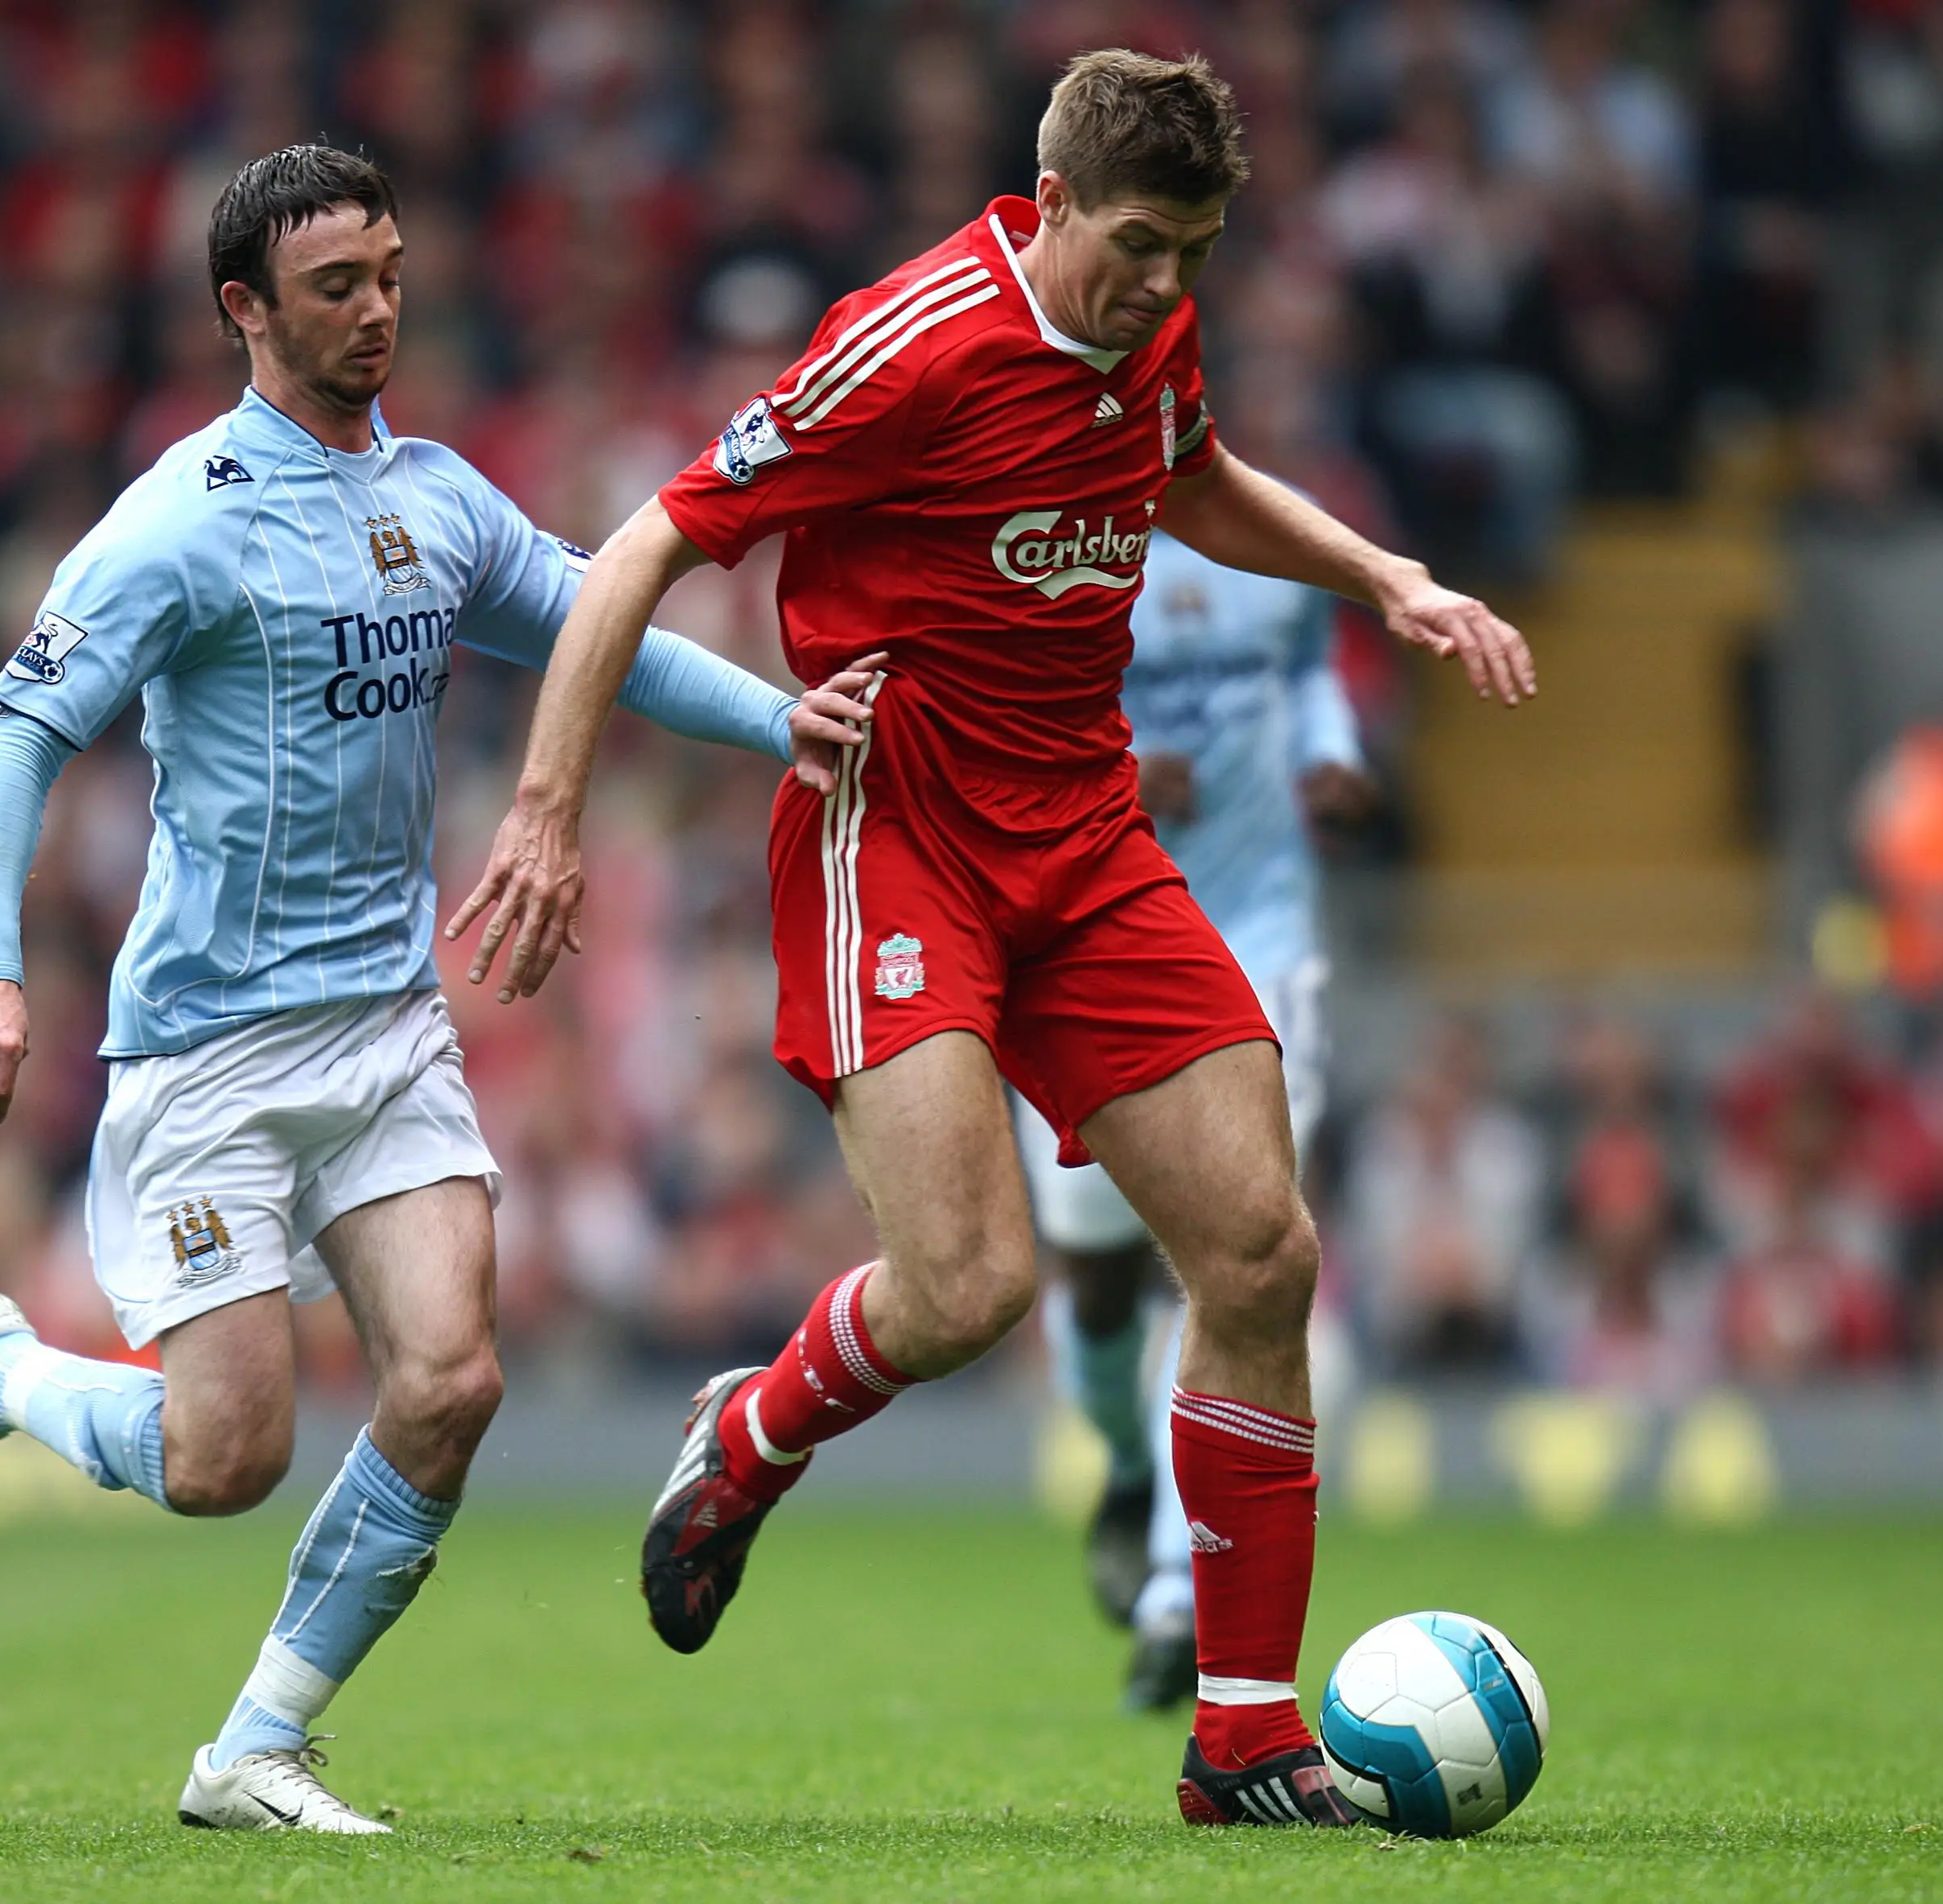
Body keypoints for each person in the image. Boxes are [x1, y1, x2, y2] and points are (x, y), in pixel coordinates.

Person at [447, 52, 1534, 1827]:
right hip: (902, 841)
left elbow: (1193, 477)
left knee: (1258, 1254)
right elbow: (644, 542)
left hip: (1088, 843)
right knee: (966, 1291)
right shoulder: (911, 343)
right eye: (1133, 245)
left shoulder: (1147, 335)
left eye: (1193, 250)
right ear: (1045, 211)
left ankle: (1245, 1742)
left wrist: (1387, 580)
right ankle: (749, 1437)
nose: (1164, 285)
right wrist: (547, 805)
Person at [0, 145, 877, 1836]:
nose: (377, 305)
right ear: (244, 309)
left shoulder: (438, 498)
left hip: (386, 1029)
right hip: (208, 1049)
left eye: (388, 271)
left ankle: (252, 1745)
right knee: (219, 1458)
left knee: (451, 1381)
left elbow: (593, 619)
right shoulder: (177, 524)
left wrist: (781, 721)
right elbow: (17, 736)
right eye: (335, 284)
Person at [1019, 529, 1371, 1714]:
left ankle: (1180, 1591)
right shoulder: (1041, 549)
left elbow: (1313, 661)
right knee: (1099, 1276)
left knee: (1241, 1259)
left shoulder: (1277, 547)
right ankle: (1127, 1466)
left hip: (1261, 939)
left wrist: (1334, 752)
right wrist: (1114, 771)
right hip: (1087, 933)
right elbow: (990, 724)